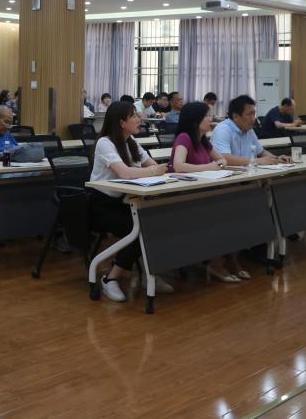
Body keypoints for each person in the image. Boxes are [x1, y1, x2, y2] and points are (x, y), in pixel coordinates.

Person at [89, 101, 168, 302]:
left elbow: (152, 164)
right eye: (134, 116)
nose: (139, 119)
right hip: (101, 205)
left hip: (124, 201)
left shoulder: (130, 140)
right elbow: (125, 173)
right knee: (138, 230)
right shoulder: (105, 142)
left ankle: (149, 274)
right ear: (122, 122)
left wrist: (155, 170)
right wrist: (153, 170)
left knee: (154, 223)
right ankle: (110, 278)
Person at [170, 102, 246, 282]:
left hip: (203, 193)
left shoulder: (203, 140)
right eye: (207, 116)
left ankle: (231, 261)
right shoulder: (184, 138)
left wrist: (219, 164)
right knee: (220, 216)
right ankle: (217, 263)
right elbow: (178, 166)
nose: (211, 120)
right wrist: (209, 167)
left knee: (236, 212)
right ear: (195, 120)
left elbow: (221, 160)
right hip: (183, 197)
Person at [211, 95, 291, 166]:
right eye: (249, 114)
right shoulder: (223, 130)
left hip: (247, 174)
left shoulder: (249, 130)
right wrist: (256, 161)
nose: (253, 119)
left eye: (254, 114)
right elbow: (224, 158)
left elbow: (261, 152)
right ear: (235, 116)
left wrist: (276, 158)